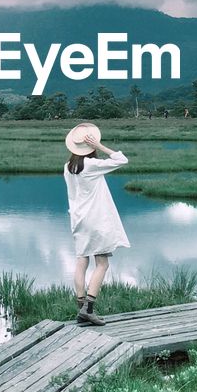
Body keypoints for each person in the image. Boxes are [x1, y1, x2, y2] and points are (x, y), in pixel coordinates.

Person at [63, 122, 129, 326]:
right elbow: (122, 159)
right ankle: (88, 309)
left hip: (78, 219)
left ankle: (80, 306)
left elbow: (72, 196)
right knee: (102, 264)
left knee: (81, 261)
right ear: (90, 146)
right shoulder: (91, 166)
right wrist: (100, 146)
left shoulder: (68, 167)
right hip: (96, 221)